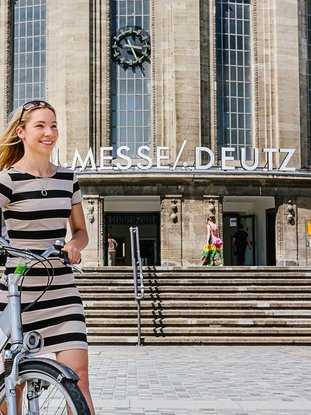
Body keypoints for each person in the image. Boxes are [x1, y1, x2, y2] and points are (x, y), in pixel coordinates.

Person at [0, 100, 95, 414]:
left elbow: (80, 230)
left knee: (78, 379)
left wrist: (75, 245)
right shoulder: (7, 179)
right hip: (19, 290)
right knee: (14, 383)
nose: (49, 132)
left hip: (61, 289)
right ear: (22, 133)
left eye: (53, 125)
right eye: (40, 126)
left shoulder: (68, 178)